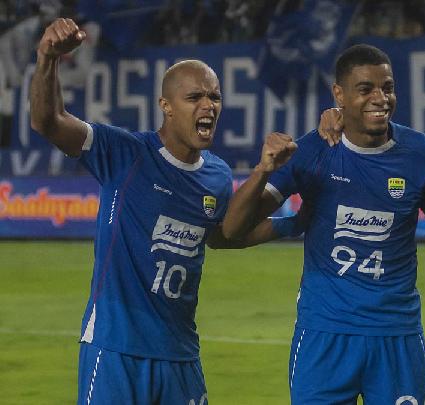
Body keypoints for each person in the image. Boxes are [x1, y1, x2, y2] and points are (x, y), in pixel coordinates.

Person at [30, 18, 296, 404]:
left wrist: (294, 221)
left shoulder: (217, 175)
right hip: (116, 349)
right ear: (166, 107)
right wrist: (47, 58)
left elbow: (222, 235)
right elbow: (48, 121)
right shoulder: (125, 154)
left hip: (180, 354)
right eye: (195, 97)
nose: (208, 106)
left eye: (215, 97)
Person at [222, 44, 425, 404]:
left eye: (387, 87)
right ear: (339, 94)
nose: (380, 98)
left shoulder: (422, 154)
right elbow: (232, 229)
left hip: (396, 333)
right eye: (366, 89)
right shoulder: (310, 152)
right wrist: (263, 171)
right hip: (325, 333)